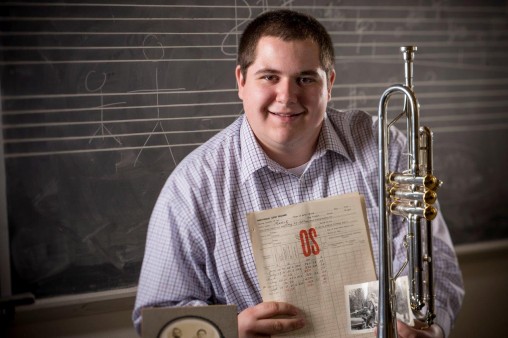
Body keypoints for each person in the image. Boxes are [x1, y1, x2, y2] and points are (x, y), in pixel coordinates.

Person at [133, 9, 464, 338]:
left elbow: (437, 264)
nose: (287, 96)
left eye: (305, 78)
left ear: (329, 83)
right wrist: (226, 332)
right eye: (269, 77)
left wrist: (430, 329)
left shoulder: (384, 146)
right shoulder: (191, 186)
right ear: (241, 81)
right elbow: (161, 316)